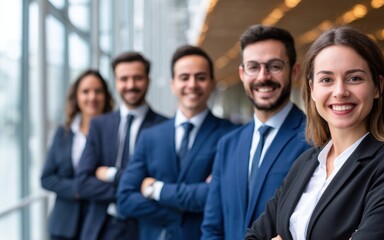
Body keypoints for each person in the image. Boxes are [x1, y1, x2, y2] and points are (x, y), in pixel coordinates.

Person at [245, 26, 384, 240]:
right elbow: (254, 236)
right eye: (327, 80)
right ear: (312, 90)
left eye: (354, 78)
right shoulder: (305, 163)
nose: (340, 91)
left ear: (377, 86)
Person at [201, 24, 310, 240]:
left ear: (294, 71)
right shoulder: (228, 144)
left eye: (274, 66)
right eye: (253, 67)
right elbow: (212, 226)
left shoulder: (314, 139)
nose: (263, 77)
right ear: (242, 73)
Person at [117, 45, 237, 240]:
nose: (192, 84)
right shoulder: (150, 136)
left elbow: (220, 194)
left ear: (213, 83)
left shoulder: (231, 136)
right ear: (173, 84)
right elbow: (125, 199)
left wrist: (156, 190)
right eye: (184, 77)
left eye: (201, 77)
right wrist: (184, 213)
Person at [74, 52, 167, 240]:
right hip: (101, 228)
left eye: (137, 78)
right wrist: (132, 190)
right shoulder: (100, 125)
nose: (131, 85)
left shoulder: (164, 127)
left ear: (147, 80)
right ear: (115, 82)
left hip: (144, 228)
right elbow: (82, 183)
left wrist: (111, 174)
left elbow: (162, 182)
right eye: (124, 79)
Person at [41, 69, 114, 240]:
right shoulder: (63, 133)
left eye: (98, 91)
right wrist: (80, 189)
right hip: (63, 225)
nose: (92, 97)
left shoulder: (115, 132)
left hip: (102, 224)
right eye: (85, 91)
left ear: (106, 96)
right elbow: (47, 178)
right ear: (76, 97)